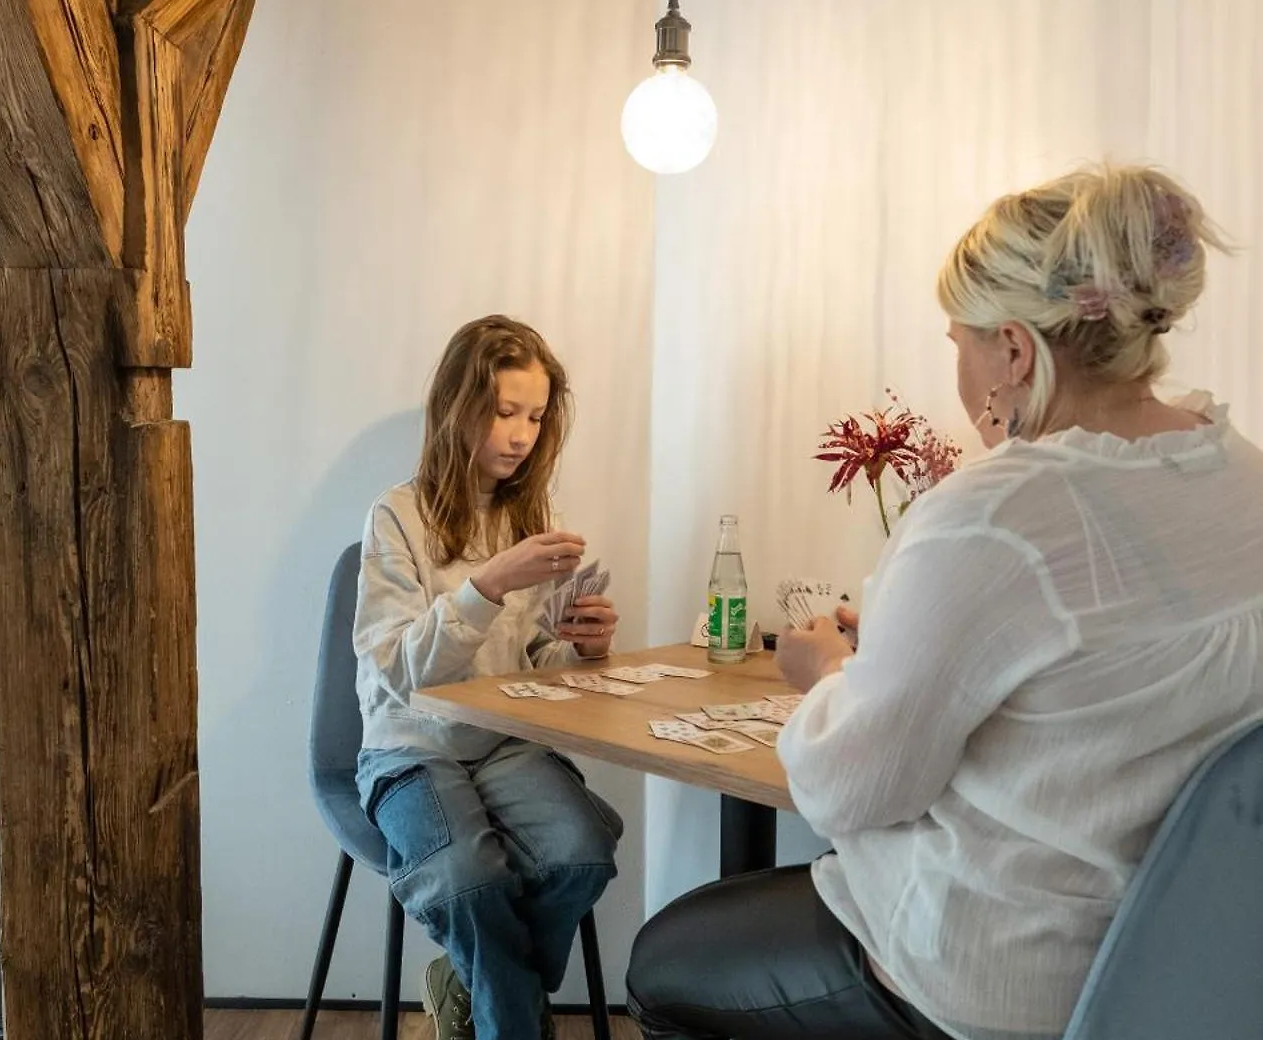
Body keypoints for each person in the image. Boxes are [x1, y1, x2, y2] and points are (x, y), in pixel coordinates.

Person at [625, 164, 1263, 1040]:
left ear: (1012, 349)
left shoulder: (994, 513)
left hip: (1004, 974)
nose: (957, 366)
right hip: (1189, 965)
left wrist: (829, 673)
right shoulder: (1241, 472)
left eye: (955, 340)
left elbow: (850, 790)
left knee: (666, 958)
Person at [354, 316, 623, 1040]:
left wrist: (582, 648)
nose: (521, 435)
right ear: (459, 405)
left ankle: (467, 978)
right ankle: (507, 1016)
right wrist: (486, 585)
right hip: (410, 749)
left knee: (582, 857)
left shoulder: (531, 517)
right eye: (505, 412)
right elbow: (395, 672)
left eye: (535, 417)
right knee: (469, 882)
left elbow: (533, 667)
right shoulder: (397, 517)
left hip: (504, 741)